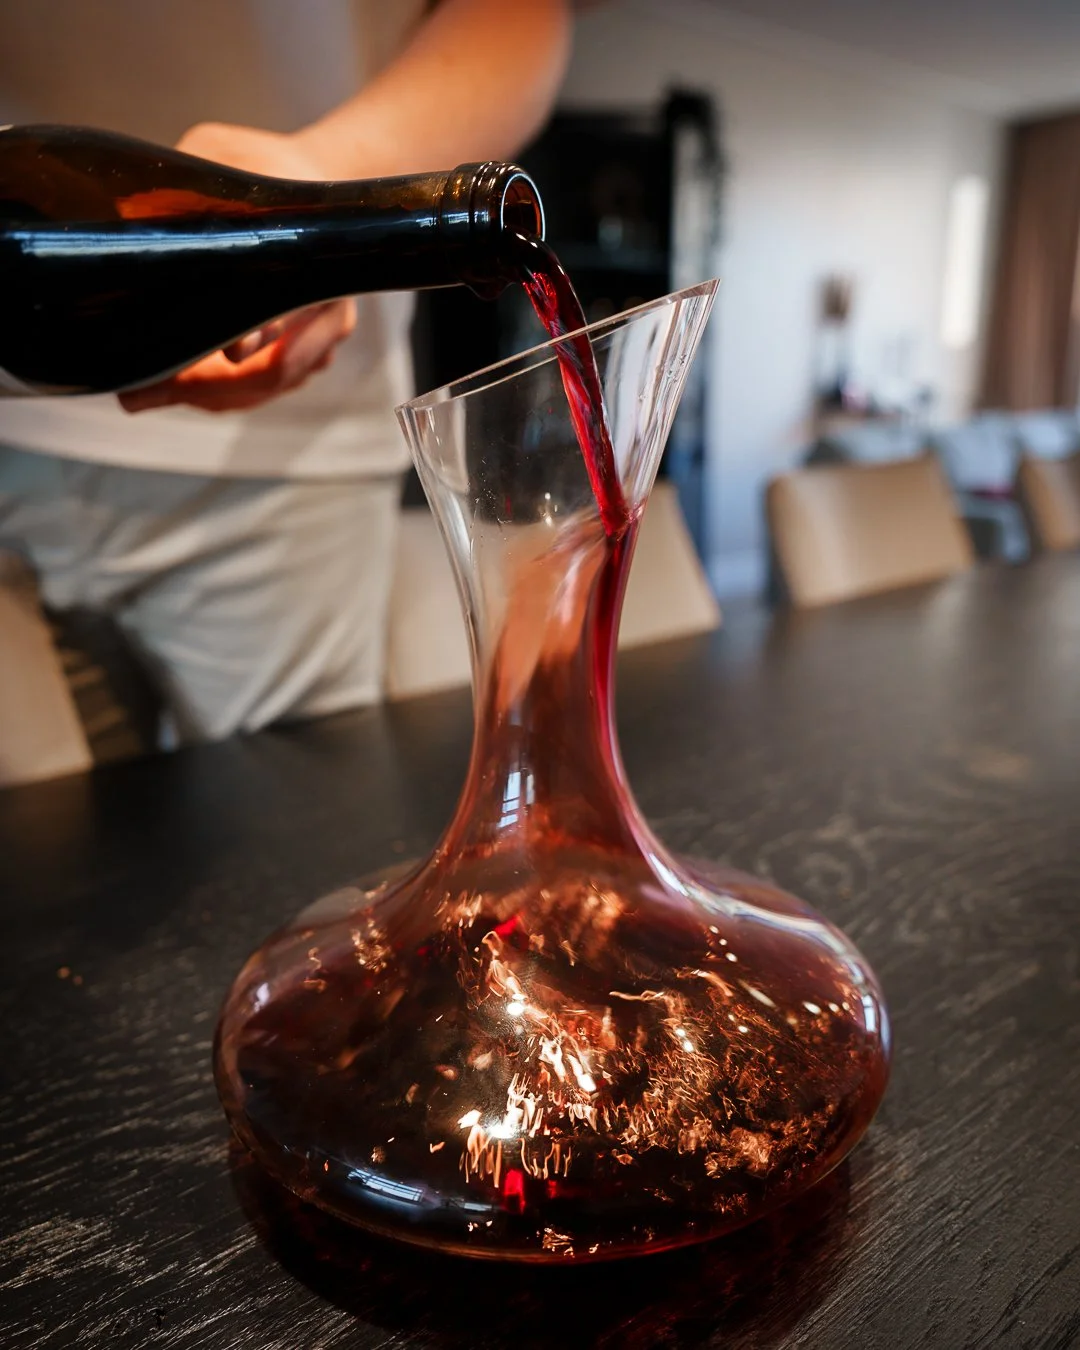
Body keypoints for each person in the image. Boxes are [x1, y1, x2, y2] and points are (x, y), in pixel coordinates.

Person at [0, 0, 574, 744]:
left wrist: (322, 174)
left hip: (290, 460)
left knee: (298, 804)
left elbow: (522, 9)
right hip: (12, 431)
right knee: (51, 821)